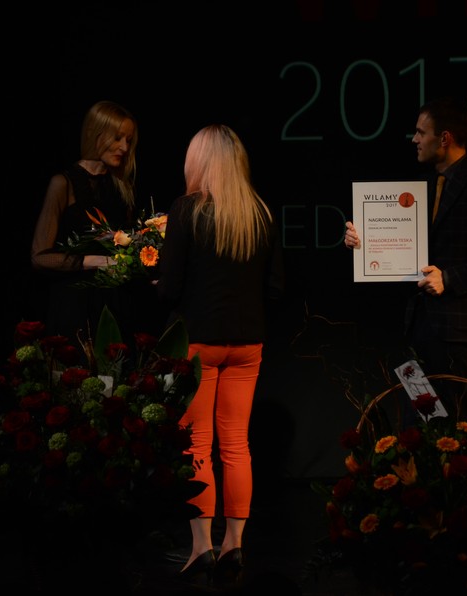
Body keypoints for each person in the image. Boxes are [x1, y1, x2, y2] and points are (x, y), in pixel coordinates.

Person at [156, 124, 285, 586]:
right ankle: (235, 544)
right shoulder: (260, 213)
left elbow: (169, 288)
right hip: (247, 344)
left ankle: (201, 547)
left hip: (199, 343)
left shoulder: (187, 210)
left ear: (200, 161)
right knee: (236, 445)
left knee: (198, 446)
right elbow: (277, 287)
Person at [344, 97, 467, 414]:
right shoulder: (422, 188)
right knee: (422, 418)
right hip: (419, 325)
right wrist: (362, 243)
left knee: (451, 422)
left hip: (457, 329)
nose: (414, 139)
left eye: (421, 132)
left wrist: (448, 278)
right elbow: (404, 243)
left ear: (445, 138)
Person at [30, 100, 157, 343]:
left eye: (129, 140)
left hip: (116, 304)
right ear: (95, 134)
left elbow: (128, 247)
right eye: (118, 138)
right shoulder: (64, 184)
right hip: (75, 306)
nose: (124, 147)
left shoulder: (123, 188)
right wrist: (97, 261)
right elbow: (39, 257)